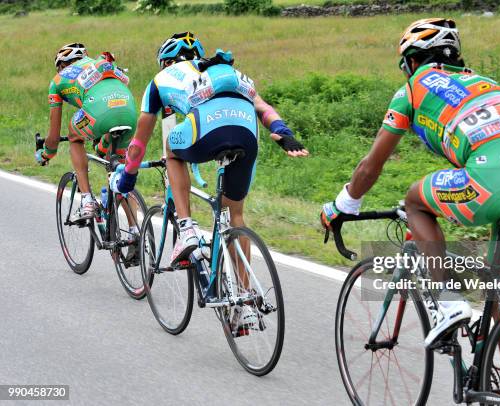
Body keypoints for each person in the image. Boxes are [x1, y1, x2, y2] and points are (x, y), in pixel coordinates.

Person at [321, 18, 500, 353]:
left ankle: (447, 302)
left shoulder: (414, 86)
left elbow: (371, 166)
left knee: (415, 201)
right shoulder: (487, 83)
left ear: (413, 61)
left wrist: (343, 204)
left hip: (490, 182)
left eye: (406, 64)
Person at [110, 31, 308, 264]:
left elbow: (138, 145)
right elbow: (263, 108)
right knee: (235, 215)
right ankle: (245, 296)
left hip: (208, 127)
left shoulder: (161, 79)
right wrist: (286, 135)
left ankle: (186, 230)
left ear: (165, 62)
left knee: (171, 151)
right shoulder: (223, 69)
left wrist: (127, 180)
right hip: (246, 131)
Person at [36, 43, 138, 224]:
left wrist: (46, 153)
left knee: (75, 137)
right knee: (121, 176)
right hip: (129, 109)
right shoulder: (101, 62)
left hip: (99, 111)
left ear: (61, 65)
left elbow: (53, 136)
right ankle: (134, 231)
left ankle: (87, 201)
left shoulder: (58, 79)